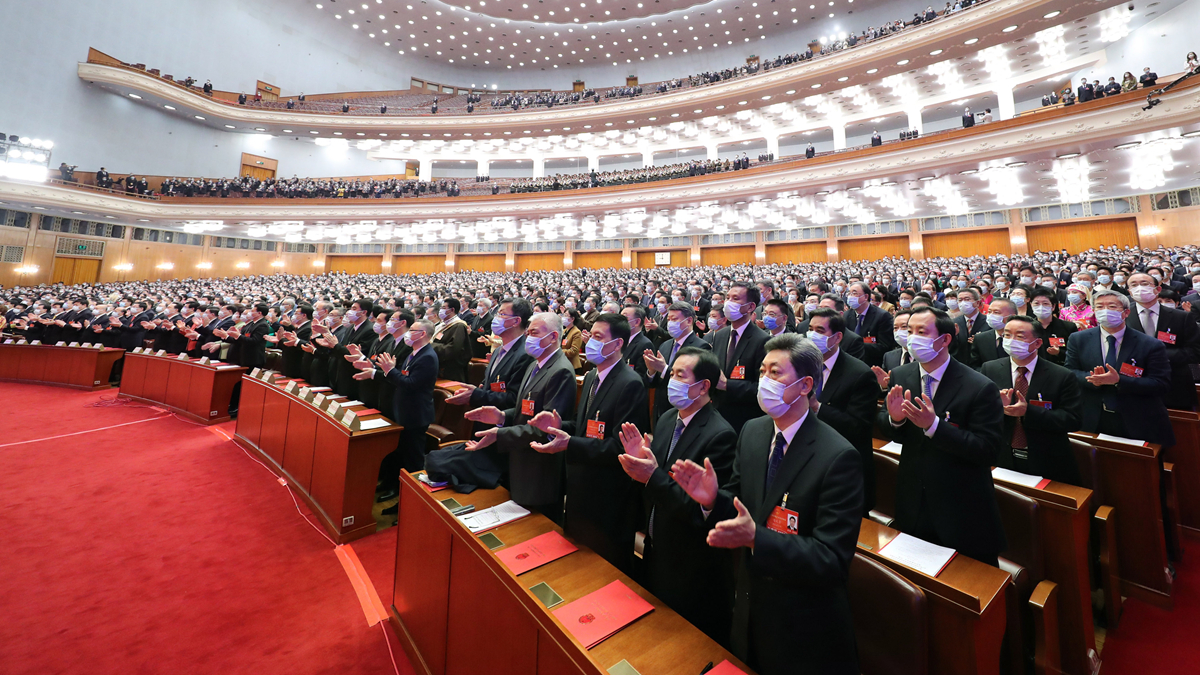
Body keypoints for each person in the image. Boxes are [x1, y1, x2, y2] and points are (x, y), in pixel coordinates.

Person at [671, 334, 862, 675]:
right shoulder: (754, 432)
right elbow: (741, 507)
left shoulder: (839, 456)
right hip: (750, 607)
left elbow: (831, 559)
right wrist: (713, 499)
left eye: (776, 373)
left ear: (805, 385)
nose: (764, 381)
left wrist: (757, 538)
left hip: (804, 626)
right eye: (761, 371)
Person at [618, 347, 737, 646]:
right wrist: (640, 463)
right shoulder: (669, 418)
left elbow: (701, 510)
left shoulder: (720, 435)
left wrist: (651, 476)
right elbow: (657, 477)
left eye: (680, 375)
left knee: (682, 645)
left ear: (704, 386)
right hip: (657, 547)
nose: (672, 380)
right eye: (672, 374)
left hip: (691, 563)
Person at [877, 307, 1006, 566]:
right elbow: (890, 429)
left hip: (961, 505)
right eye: (909, 331)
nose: (912, 338)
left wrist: (934, 426)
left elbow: (987, 449)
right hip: (912, 498)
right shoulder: (902, 375)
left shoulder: (979, 386)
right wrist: (895, 420)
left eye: (921, 332)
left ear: (945, 339)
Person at [529, 313, 650, 573]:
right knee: (576, 563)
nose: (590, 342)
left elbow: (620, 448)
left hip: (609, 495)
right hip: (580, 486)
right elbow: (585, 428)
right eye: (590, 335)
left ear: (617, 344)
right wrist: (559, 426)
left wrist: (570, 443)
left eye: (598, 337)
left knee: (604, 570)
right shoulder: (594, 376)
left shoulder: (630, 384)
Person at [465, 312, 577, 522]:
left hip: (539, 470)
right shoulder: (535, 365)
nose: (528, 338)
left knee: (537, 531)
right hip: (520, 461)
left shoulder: (560, 371)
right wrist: (502, 416)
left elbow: (546, 430)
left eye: (534, 333)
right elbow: (524, 411)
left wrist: (500, 433)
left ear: (553, 337)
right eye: (528, 333)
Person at [980, 315, 1084, 484]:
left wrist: (1029, 411)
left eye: (1020, 336)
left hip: (1047, 458)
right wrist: (998, 408)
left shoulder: (1061, 375)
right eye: (1007, 335)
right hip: (1002, 457)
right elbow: (980, 415)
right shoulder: (990, 369)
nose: (1011, 340)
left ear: (1037, 343)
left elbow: (1073, 420)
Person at [1065, 289, 1174, 447]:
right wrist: (1093, 380)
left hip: (1137, 418)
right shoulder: (1078, 339)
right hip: (1092, 416)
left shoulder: (1150, 344)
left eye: (1112, 306)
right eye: (1099, 307)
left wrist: (1118, 381)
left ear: (1126, 312)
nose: (1105, 311)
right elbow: (1070, 372)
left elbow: (1161, 384)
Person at [807, 308, 879, 514]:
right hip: (808, 458)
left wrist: (816, 407)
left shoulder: (859, 374)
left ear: (837, 337)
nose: (812, 335)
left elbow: (858, 426)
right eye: (810, 329)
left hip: (843, 468)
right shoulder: (801, 364)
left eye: (820, 330)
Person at [370, 318, 439, 513]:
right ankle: (399, 493)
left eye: (413, 330)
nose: (408, 333)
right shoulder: (414, 353)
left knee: (414, 463)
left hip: (416, 416)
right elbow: (403, 377)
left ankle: (411, 504)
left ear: (422, 334)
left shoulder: (427, 356)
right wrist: (388, 372)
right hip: (406, 413)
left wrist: (390, 371)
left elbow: (410, 384)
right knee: (402, 457)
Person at [1124, 272, 1200, 410]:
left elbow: (1195, 351)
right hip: (1134, 386)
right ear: (1129, 291)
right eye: (1134, 285)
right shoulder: (1122, 317)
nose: (1139, 288)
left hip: (1175, 384)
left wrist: (1157, 355)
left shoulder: (1182, 317)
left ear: (1158, 289)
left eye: (1145, 284)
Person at [709, 282, 771, 433]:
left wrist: (727, 385)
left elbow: (762, 388)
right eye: (728, 297)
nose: (729, 303)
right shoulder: (720, 335)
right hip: (717, 417)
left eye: (735, 298)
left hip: (744, 419)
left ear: (750, 307)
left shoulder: (762, 341)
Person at [645, 302, 710, 421]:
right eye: (669, 319)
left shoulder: (701, 347)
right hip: (661, 409)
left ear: (689, 321)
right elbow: (654, 383)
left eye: (674, 319)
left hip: (685, 410)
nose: (670, 323)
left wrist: (664, 369)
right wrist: (652, 371)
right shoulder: (665, 345)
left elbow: (695, 382)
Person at [843, 281, 895, 366]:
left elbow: (885, 346)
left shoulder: (882, 316)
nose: (850, 296)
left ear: (866, 296)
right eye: (849, 293)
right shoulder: (846, 315)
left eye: (854, 293)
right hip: (849, 363)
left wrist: (857, 345)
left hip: (872, 363)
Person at [1029, 286, 1076, 366]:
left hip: (1061, 369)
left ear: (1053, 306)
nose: (1041, 307)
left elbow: (1075, 354)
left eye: (1045, 303)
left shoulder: (1068, 327)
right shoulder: (1028, 327)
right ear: (1031, 305)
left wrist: (1059, 352)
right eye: (1036, 303)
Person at [432, 298, 472, 383]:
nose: (440, 310)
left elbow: (453, 349)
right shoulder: (442, 325)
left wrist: (431, 345)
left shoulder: (458, 326)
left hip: (450, 371)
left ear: (452, 310)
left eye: (443, 308)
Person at [969, 298, 1017, 369]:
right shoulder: (981, 338)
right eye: (989, 312)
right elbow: (975, 365)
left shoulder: (1021, 338)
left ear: (1012, 316)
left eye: (996, 312)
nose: (991, 315)